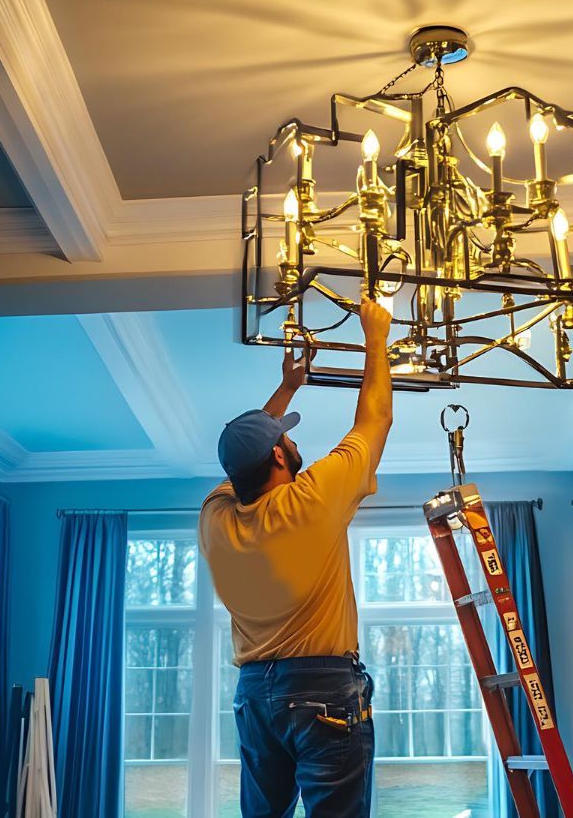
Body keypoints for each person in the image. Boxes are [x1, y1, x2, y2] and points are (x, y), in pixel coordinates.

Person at [199, 298, 394, 818]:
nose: (287, 436)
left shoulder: (216, 517)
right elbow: (374, 421)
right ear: (282, 456)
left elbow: (244, 454)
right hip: (320, 690)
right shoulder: (310, 500)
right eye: (285, 434)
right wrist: (376, 336)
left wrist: (287, 386)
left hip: (254, 697)